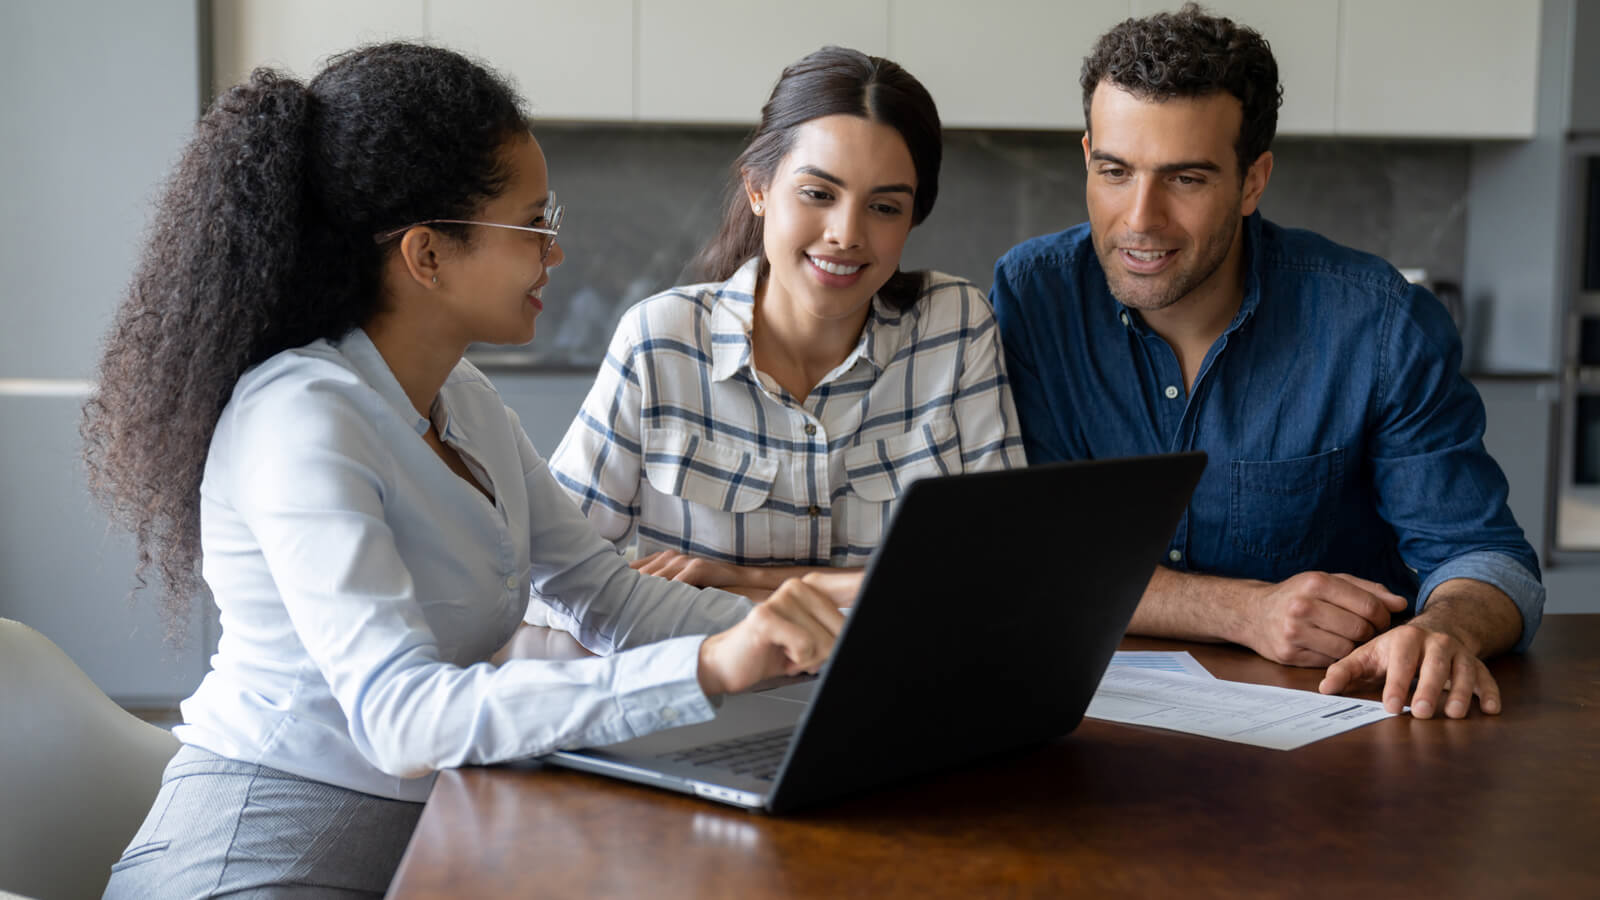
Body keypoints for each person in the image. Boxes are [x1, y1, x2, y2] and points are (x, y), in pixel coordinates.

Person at [84, 43, 846, 898]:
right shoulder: (300, 420)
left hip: (422, 839)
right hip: (259, 854)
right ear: (427, 255)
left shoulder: (462, 398)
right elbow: (400, 720)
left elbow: (609, 596)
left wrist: (821, 641)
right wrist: (709, 667)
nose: (555, 256)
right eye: (534, 226)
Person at [989, 4, 1544, 720]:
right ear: (1088, 154)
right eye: (1115, 171)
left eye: (1186, 179)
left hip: (1334, 737)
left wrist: (1445, 629)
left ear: (1253, 181)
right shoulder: (1034, 298)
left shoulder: (1377, 323)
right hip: (1087, 733)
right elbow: (1033, 558)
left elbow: (1487, 558)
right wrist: (1242, 610)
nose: (1140, 219)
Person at [531, 46, 1025, 618]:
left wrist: (748, 581)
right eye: (818, 194)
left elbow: (1004, 570)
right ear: (758, 189)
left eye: (884, 208)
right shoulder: (660, 340)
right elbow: (547, 576)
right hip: (709, 693)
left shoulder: (956, 328)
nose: (846, 233)